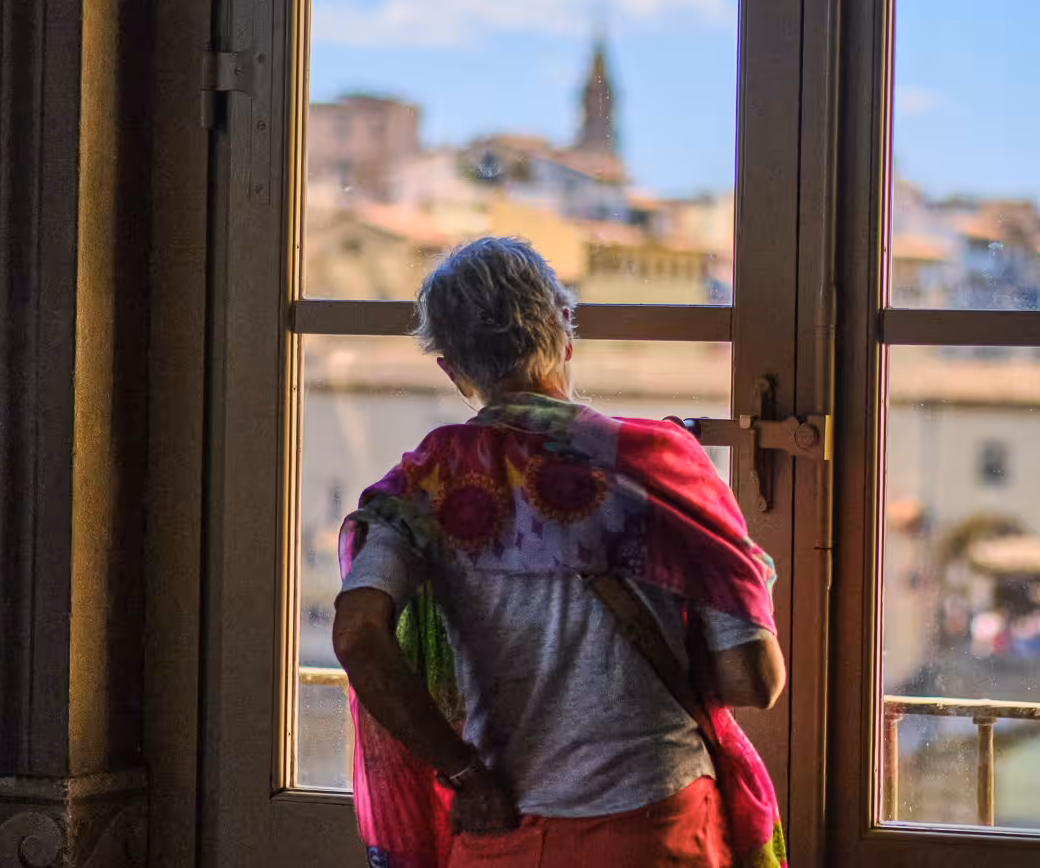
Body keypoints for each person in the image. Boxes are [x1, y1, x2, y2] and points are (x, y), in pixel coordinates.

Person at [332, 237, 788, 868]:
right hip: (655, 823)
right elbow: (754, 681)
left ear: (452, 369)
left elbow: (357, 635)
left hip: (500, 827)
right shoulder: (661, 465)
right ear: (565, 330)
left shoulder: (425, 487)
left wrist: (462, 771)